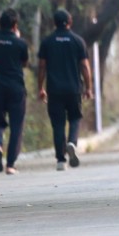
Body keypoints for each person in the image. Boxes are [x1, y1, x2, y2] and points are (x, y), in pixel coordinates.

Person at [37, 9, 93, 171]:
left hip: (54, 90)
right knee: (75, 118)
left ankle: (61, 160)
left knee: (58, 124)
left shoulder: (47, 42)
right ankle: (72, 142)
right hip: (74, 89)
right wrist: (88, 87)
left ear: (54, 23)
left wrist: (40, 87)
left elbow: (41, 67)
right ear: (70, 22)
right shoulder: (77, 41)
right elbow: (85, 67)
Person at [0, 9, 29, 175]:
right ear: (15, 25)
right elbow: (24, 63)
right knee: (16, 126)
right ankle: (10, 165)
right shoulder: (21, 43)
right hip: (16, 88)